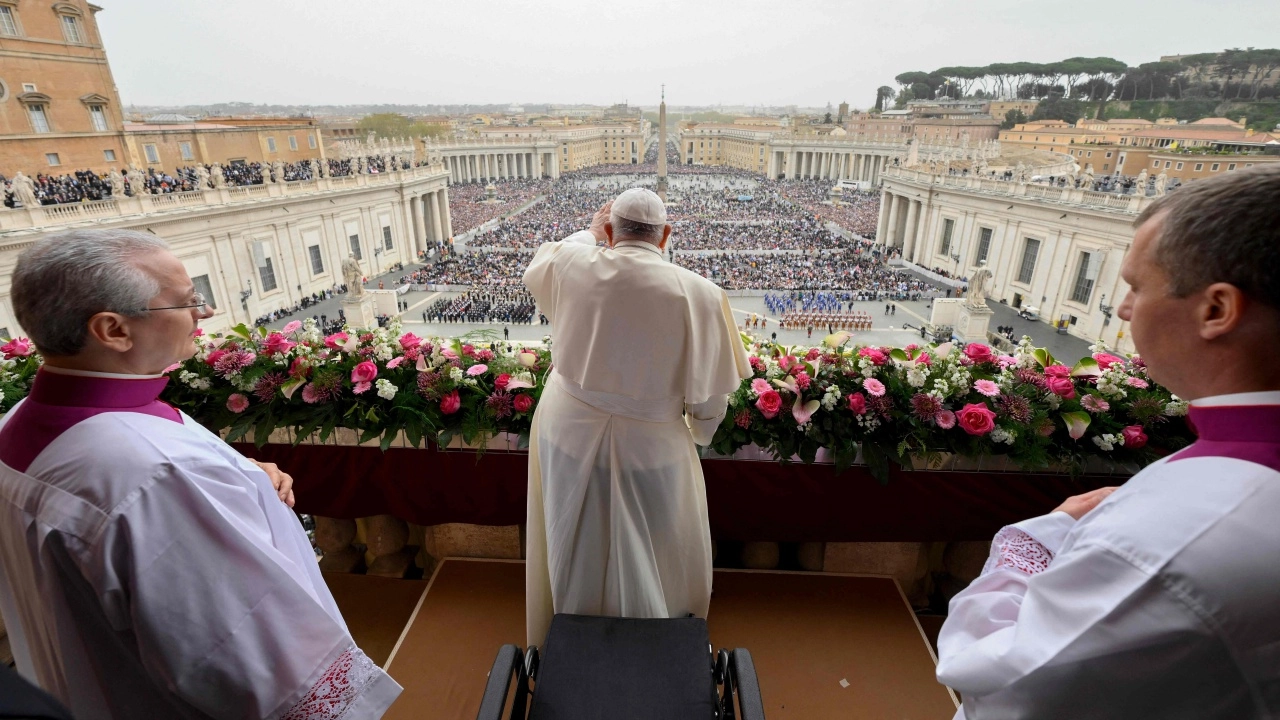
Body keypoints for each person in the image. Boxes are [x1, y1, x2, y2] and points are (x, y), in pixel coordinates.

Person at [0, 229, 401, 718]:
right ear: (113, 330)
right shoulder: (158, 476)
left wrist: (237, 476)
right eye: (187, 303)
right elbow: (246, 656)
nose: (203, 314)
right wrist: (203, 486)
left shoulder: (19, 423)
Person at [936, 164, 1280, 718]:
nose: (1122, 308)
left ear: (1216, 310)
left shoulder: (1174, 535)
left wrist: (1043, 537)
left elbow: (994, 680)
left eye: (1137, 287)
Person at [522, 188, 750, 648]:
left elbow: (542, 265)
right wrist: (700, 434)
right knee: (657, 547)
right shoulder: (700, 293)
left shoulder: (572, 262)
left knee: (574, 537)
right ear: (666, 235)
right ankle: (654, 643)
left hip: (567, 429)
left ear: (609, 231)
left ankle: (570, 634)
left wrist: (590, 235)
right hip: (653, 443)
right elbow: (710, 399)